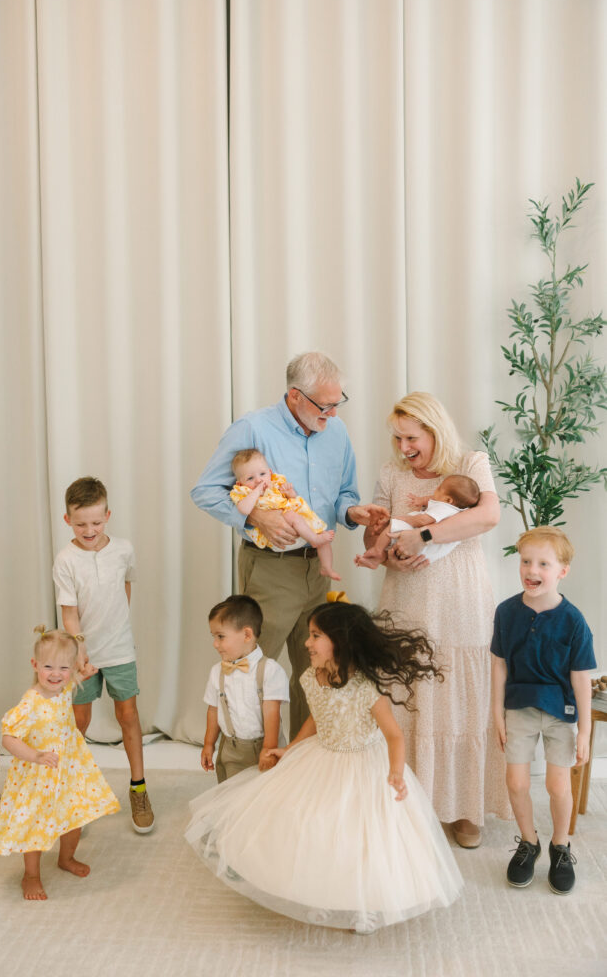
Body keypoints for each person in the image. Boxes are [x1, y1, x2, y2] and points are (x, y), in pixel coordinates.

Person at [185, 596, 463, 933]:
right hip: (323, 754)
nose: (306, 642)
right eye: (309, 634)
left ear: (340, 642)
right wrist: (292, 749)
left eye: (316, 635)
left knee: (359, 833)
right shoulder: (310, 677)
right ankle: (317, 890)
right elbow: (316, 720)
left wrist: (395, 772)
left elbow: (394, 735)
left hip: (363, 763)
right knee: (311, 822)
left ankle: (365, 904)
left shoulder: (365, 688)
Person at [191, 351, 386, 736]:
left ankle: (302, 766)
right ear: (295, 396)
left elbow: (345, 494)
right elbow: (205, 491)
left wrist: (353, 513)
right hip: (269, 571)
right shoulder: (252, 428)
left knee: (316, 674)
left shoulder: (338, 433)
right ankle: (247, 773)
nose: (332, 413)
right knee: (251, 672)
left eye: (338, 403)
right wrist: (255, 515)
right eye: (324, 405)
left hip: (318, 570)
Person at [366, 392, 510, 848]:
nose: (404, 446)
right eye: (398, 438)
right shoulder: (391, 473)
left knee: (460, 696)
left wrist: (424, 535)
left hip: (461, 599)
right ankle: (409, 800)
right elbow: (380, 530)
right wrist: (391, 554)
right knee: (406, 691)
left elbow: (487, 516)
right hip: (407, 597)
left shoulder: (470, 462)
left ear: (434, 430)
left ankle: (466, 809)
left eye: (412, 437)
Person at [491, 527, 596, 894]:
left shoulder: (574, 621)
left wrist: (583, 731)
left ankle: (560, 846)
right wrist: (496, 713)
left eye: (543, 563)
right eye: (525, 561)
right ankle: (529, 842)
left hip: (560, 710)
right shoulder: (506, 612)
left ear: (562, 571)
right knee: (516, 782)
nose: (531, 569)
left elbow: (582, 679)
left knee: (556, 784)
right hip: (518, 706)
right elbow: (499, 665)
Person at [52, 476, 154, 834]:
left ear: (108, 515)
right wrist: (80, 650)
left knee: (128, 715)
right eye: (81, 524)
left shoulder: (123, 550)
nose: (89, 529)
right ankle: (71, 791)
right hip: (82, 655)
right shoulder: (65, 560)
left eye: (96, 522)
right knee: (79, 723)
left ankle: (138, 788)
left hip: (120, 650)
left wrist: (116, 633)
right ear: (67, 520)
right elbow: (69, 612)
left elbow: (124, 588)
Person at [0, 627, 119, 900]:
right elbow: (8, 738)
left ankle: (67, 858)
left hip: (69, 768)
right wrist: (35, 756)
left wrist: (83, 673)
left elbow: (73, 677)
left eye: (63, 668)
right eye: (48, 666)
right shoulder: (31, 702)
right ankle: (31, 875)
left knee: (74, 816)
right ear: (35, 665)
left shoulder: (64, 685)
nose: (55, 674)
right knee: (34, 824)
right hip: (38, 772)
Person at [201, 594, 289, 782]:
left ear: (247, 635)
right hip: (231, 750)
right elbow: (213, 709)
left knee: (264, 793)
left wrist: (269, 749)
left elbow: (272, 713)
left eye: (221, 636)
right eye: (214, 637)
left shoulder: (270, 671)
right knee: (231, 794)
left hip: (263, 746)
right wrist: (209, 744)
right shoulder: (217, 672)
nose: (215, 644)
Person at [230, 449, 340, 580]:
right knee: (293, 517)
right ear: (239, 483)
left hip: (297, 526)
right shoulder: (243, 492)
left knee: (323, 535)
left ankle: (326, 568)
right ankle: (314, 540)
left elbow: (290, 500)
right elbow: (244, 509)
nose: (258, 480)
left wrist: (290, 494)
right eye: (250, 478)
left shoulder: (275, 483)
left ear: (270, 472)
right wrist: (257, 491)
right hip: (276, 533)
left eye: (262, 474)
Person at [355, 474, 480, 569]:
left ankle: (377, 551)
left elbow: (422, 520)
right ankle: (380, 557)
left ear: (448, 500)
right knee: (393, 545)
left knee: (391, 527)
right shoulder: (453, 508)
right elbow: (434, 500)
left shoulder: (444, 509)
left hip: (418, 536)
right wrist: (422, 501)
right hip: (424, 551)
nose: (436, 488)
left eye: (440, 488)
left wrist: (401, 519)